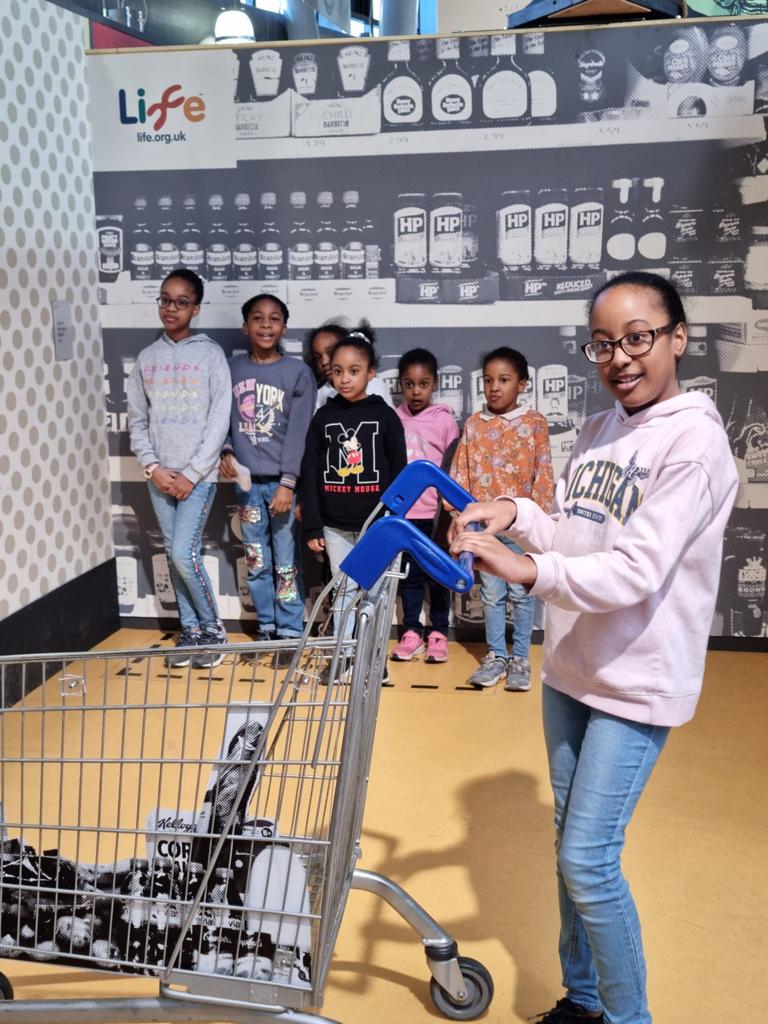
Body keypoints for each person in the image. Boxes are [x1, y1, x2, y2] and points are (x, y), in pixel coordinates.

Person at [450, 272, 738, 1024]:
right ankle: (583, 1002)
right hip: (572, 668)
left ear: (679, 336)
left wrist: (527, 571)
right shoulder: (600, 429)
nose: (620, 358)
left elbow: (637, 570)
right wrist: (513, 511)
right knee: (567, 845)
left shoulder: (694, 442)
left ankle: (628, 1017)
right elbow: (573, 532)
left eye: (638, 338)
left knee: (588, 857)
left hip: (636, 679)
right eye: (604, 344)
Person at [126, 268, 230, 669]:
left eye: (181, 302)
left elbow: (219, 420)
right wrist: (153, 468)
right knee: (173, 554)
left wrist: (192, 473)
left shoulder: (210, 355)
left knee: (184, 554)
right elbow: (137, 421)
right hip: (159, 477)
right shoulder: (147, 358)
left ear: (195, 309)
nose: (171, 308)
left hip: (196, 478)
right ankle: (190, 630)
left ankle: (213, 630)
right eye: (165, 300)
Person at [450, 347, 554, 691]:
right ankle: (496, 656)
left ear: (522, 384)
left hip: (520, 530)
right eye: (488, 380)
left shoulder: (535, 422)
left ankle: (520, 658)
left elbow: (544, 474)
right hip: (483, 530)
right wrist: (460, 517)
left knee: (522, 594)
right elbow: (460, 475)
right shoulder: (473, 425)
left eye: (504, 380)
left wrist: (537, 521)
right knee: (492, 595)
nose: (494, 387)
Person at [220, 294, 316, 642]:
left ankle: (289, 628)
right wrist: (226, 451)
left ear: (284, 328)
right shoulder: (231, 370)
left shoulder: (297, 373)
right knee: (256, 559)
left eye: (274, 318)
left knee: (286, 562)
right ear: (245, 326)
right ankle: (266, 625)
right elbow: (221, 418)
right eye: (257, 318)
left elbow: (299, 433)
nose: (265, 325)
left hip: (282, 486)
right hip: (247, 486)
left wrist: (288, 483)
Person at [299, 327, 407, 637]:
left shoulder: (386, 417)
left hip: (377, 526)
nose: (345, 378)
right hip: (334, 527)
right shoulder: (323, 418)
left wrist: (394, 519)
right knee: (343, 588)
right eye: (337, 371)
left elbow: (400, 471)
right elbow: (310, 472)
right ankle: (344, 652)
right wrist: (312, 525)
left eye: (354, 371)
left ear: (371, 373)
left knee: (376, 591)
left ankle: (371, 655)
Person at [390, 348, 459, 664]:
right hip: (405, 515)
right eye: (409, 384)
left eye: (423, 384)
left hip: (436, 516)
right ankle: (412, 631)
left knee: (439, 576)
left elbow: (452, 468)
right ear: (401, 385)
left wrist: (450, 512)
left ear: (435, 384)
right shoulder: (394, 418)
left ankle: (439, 632)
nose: (416, 391)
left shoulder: (444, 421)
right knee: (410, 577)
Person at [305, 320, 394, 410]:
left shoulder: (375, 385)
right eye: (318, 357)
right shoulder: (319, 397)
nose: (324, 362)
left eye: (331, 352)